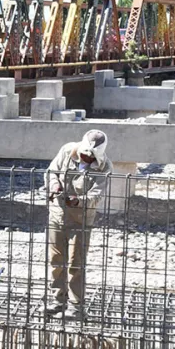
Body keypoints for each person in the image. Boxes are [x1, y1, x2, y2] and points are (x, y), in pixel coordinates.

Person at [45, 129, 112, 320]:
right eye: (84, 155)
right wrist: (54, 185)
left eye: (91, 158)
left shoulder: (104, 167)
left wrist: (79, 200)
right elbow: (52, 172)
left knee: (76, 263)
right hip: (57, 214)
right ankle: (58, 300)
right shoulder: (67, 151)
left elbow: (97, 194)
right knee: (56, 260)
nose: (86, 159)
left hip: (80, 220)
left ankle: (76, 306)